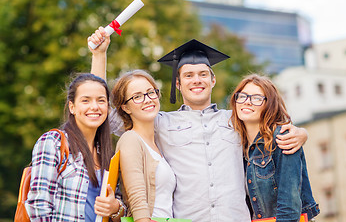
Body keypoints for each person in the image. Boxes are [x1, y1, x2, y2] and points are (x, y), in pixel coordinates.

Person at [88, 28, 308, 222]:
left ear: (213, 80)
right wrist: (99, 55)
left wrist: (300, 133)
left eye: (203, 74)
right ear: (178, 84)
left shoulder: (236, 119)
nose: (197, 80)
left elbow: (269, 128)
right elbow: (105, 114)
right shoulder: (160, 124)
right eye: (189, 75)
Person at [25, 73, 125, 222]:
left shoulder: (109, 156)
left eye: (101, 100)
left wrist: (116, 208)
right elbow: (39, 206)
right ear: (72, 107)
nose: (94, 106)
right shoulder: (54, 142)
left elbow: (120, 208)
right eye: (85, 100)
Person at [230, 74, 320, 221]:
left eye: (257, 98)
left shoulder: (283, 138)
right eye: (243, 96)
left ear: (269, 105)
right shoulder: (235, 144)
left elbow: (289, 208)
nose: (247, 102)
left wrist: (304, 133)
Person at [112, 70, 176, 222]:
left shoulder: (157, 146)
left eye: (150, 92)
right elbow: (137, 198)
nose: (147, 100)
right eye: (137, 97)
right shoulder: (130, 140)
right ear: (125, 108)